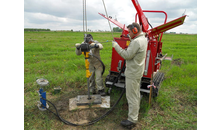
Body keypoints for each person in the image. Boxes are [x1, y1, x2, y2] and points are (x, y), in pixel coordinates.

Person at [112, 22, 148, 127]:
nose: (128, 34)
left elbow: (127, 55)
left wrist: (116, 46)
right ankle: (135, 114)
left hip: (133, 73)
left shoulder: (136, 42)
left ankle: (132, 120)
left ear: (135, 31)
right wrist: (131, 39)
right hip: (137, 72)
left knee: (131, 96)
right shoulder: (143, 39)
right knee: (135, 95)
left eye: (129, 32)